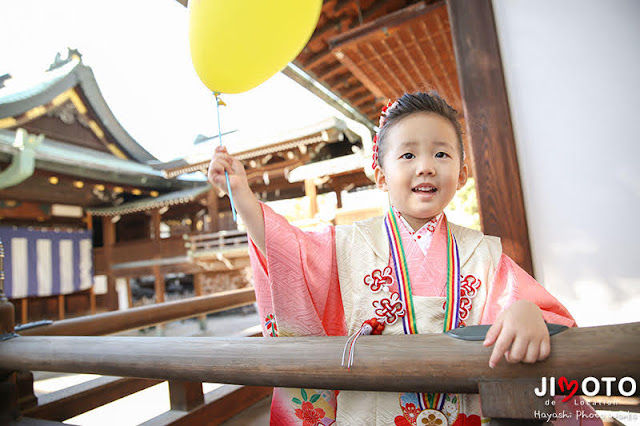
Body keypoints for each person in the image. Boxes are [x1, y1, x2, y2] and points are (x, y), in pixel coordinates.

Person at [208, 92, 596, 426]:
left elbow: (544, 316)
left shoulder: (483, 254)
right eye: (407, 154)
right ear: (380, 176)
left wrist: (527, 312)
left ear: (461, 174)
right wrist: (242, 196)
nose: (425, 165)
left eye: (441, 153)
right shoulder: (347, 243)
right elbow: (288, 253)